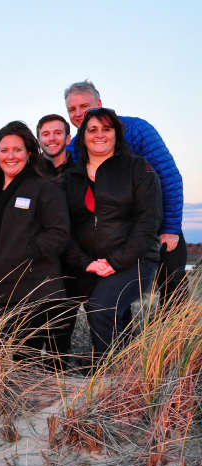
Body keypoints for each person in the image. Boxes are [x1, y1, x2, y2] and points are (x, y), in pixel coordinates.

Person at [64, 80, 185, 301]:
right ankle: (127, 337)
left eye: (85, 106)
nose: (78, 113)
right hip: (114, 234)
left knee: (173, 286)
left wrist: (170, 227)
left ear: (100, 103)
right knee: (117, 298)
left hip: (154, 223)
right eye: (72, 109)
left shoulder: (137, 129)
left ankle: (175, 336)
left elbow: (169, 177)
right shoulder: (73, 149)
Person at [62, 108, 161, 359]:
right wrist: (87, 263)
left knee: (101, 309)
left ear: (117, 133)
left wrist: (115, 262)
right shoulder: (70, 177)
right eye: (92, 130)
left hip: (134, 259)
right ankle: (130, 367)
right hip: (91, 263)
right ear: (82, 136)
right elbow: (64, 229)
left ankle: (109, 379)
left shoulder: (138, 168)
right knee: (117, 314)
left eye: (107, 129)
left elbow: (148, 222)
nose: (100, 135)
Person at [0, 121, 70, 353]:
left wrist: (25, 253)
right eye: (4, 150)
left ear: (30, 153)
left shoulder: (44, 188)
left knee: (23, 367)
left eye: (17, 149)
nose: (10, 156)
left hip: (32, 294)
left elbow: (59, 234)